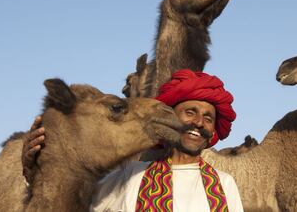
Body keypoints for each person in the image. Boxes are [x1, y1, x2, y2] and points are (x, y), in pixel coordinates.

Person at [23, 69, 243, 211]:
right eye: (190, 112)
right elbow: (66, 199)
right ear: (172, 116)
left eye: (208, 118)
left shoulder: (224, 185)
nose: (198, 122)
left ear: (213, 129)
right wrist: (35, 167)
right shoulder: (132, 175)